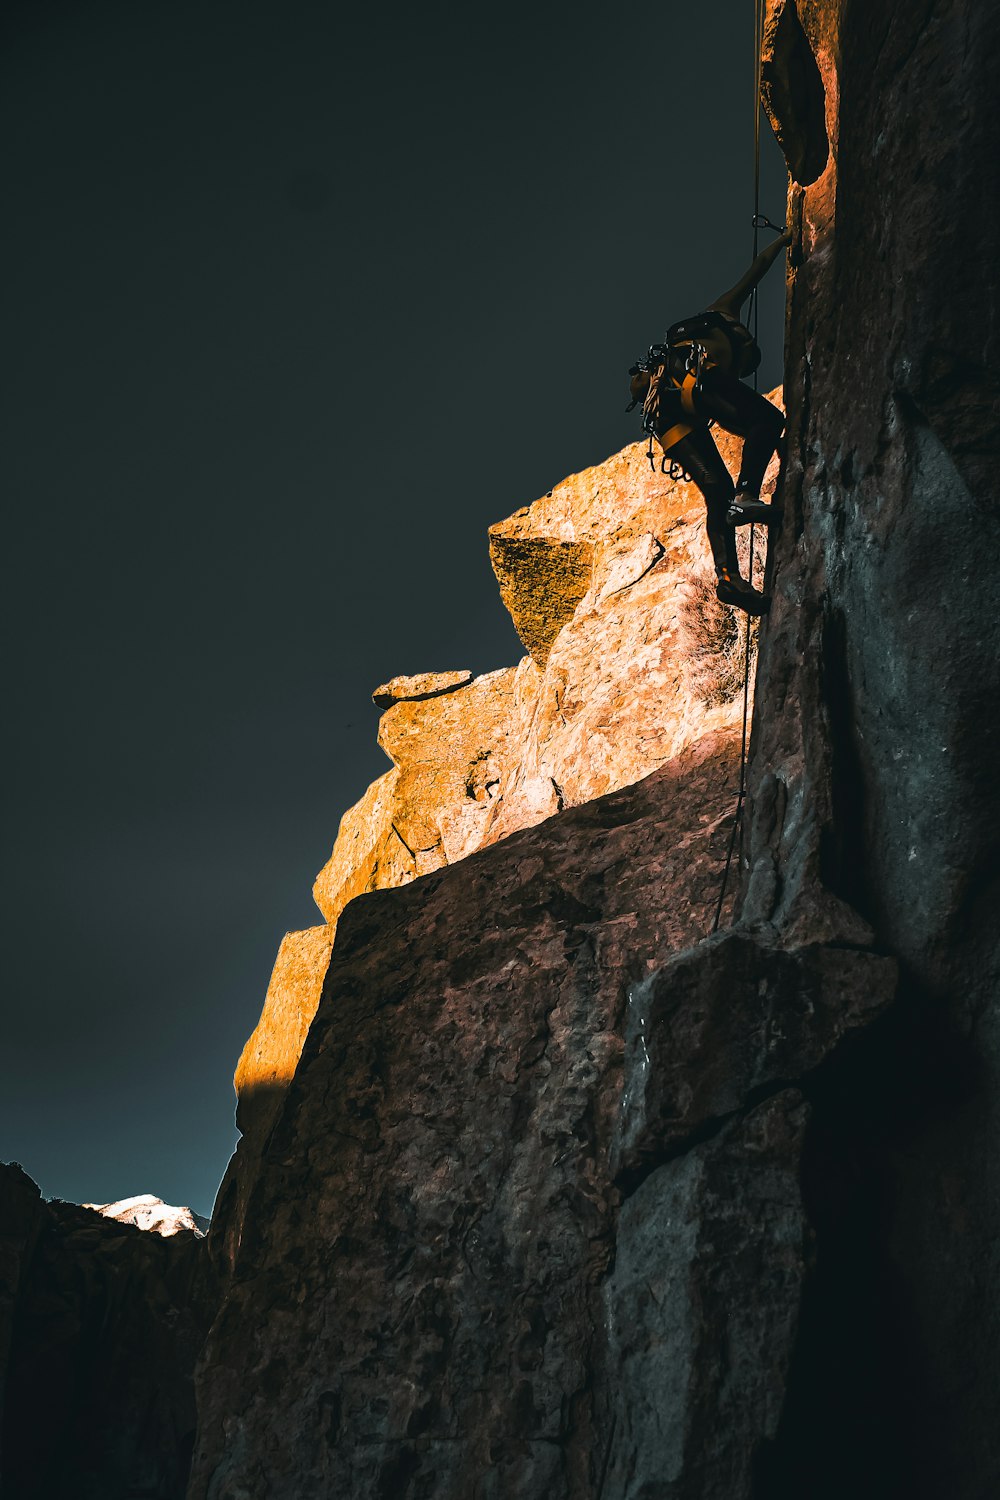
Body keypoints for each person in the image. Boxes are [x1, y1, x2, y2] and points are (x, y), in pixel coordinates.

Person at [629, 231, 791, 614]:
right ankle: (748, 496)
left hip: (664, 411)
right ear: (746, 343)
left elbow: (733, 418)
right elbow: (756, 271)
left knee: (716, 488)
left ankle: (729, 579)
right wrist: (783, 241)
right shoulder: (723, 316)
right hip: (691, 376)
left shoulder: (705, 328)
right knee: (768, 418)